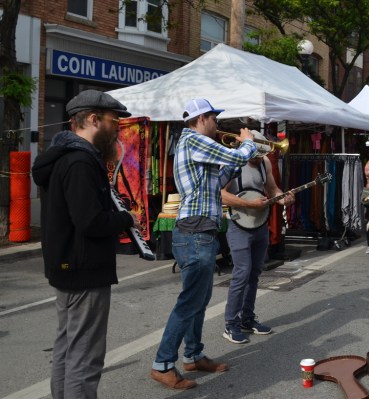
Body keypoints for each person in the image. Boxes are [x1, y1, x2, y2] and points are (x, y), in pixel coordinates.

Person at [31, 90, 137, 398]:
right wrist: (126, 219)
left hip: (68, 266)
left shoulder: (66, 156)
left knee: (67, 349)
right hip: (84, 269)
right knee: (85, 358)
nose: (117, 128)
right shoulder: (80, 162)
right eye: (113, 121)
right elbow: (90, 221)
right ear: (92, 119)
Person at [150, 99, 258, 390]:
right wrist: (247, 143)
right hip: (196, 230)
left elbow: (215, 181)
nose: (217, 124)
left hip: (199, 229)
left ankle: (194, 355)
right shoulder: (194, 140)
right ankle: (162, 363)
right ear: (202, 118)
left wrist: (234, 166)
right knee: (190, 301)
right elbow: (235, 157)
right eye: (214, 118)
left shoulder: (194, 146)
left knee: (199, 299)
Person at [221, 131, 295, 344]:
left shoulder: (264, 163)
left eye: (260, 153)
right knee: (241, 273)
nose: (257, 157)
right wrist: (248, 204)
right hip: (239, 225)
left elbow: (272, 189)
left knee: (254, 273)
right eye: (254, 152)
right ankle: (230, 324)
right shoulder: (232, 161)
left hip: (259, 224)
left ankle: (247, 318)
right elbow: (220, 193)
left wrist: (283, 199)